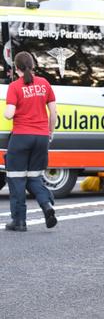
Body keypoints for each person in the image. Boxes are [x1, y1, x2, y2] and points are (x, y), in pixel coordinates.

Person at [4, 51, 58, 231]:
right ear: (33, 66)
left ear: (16, 67)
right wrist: (50, 132)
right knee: (34, 178)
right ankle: (47, 206)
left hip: (21, 138)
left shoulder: (15, 86)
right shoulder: (44, 83)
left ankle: (19, 221)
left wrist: (8, 111)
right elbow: (54, 112)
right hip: (42, 138)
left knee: (16, 179)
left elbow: (9, 113)